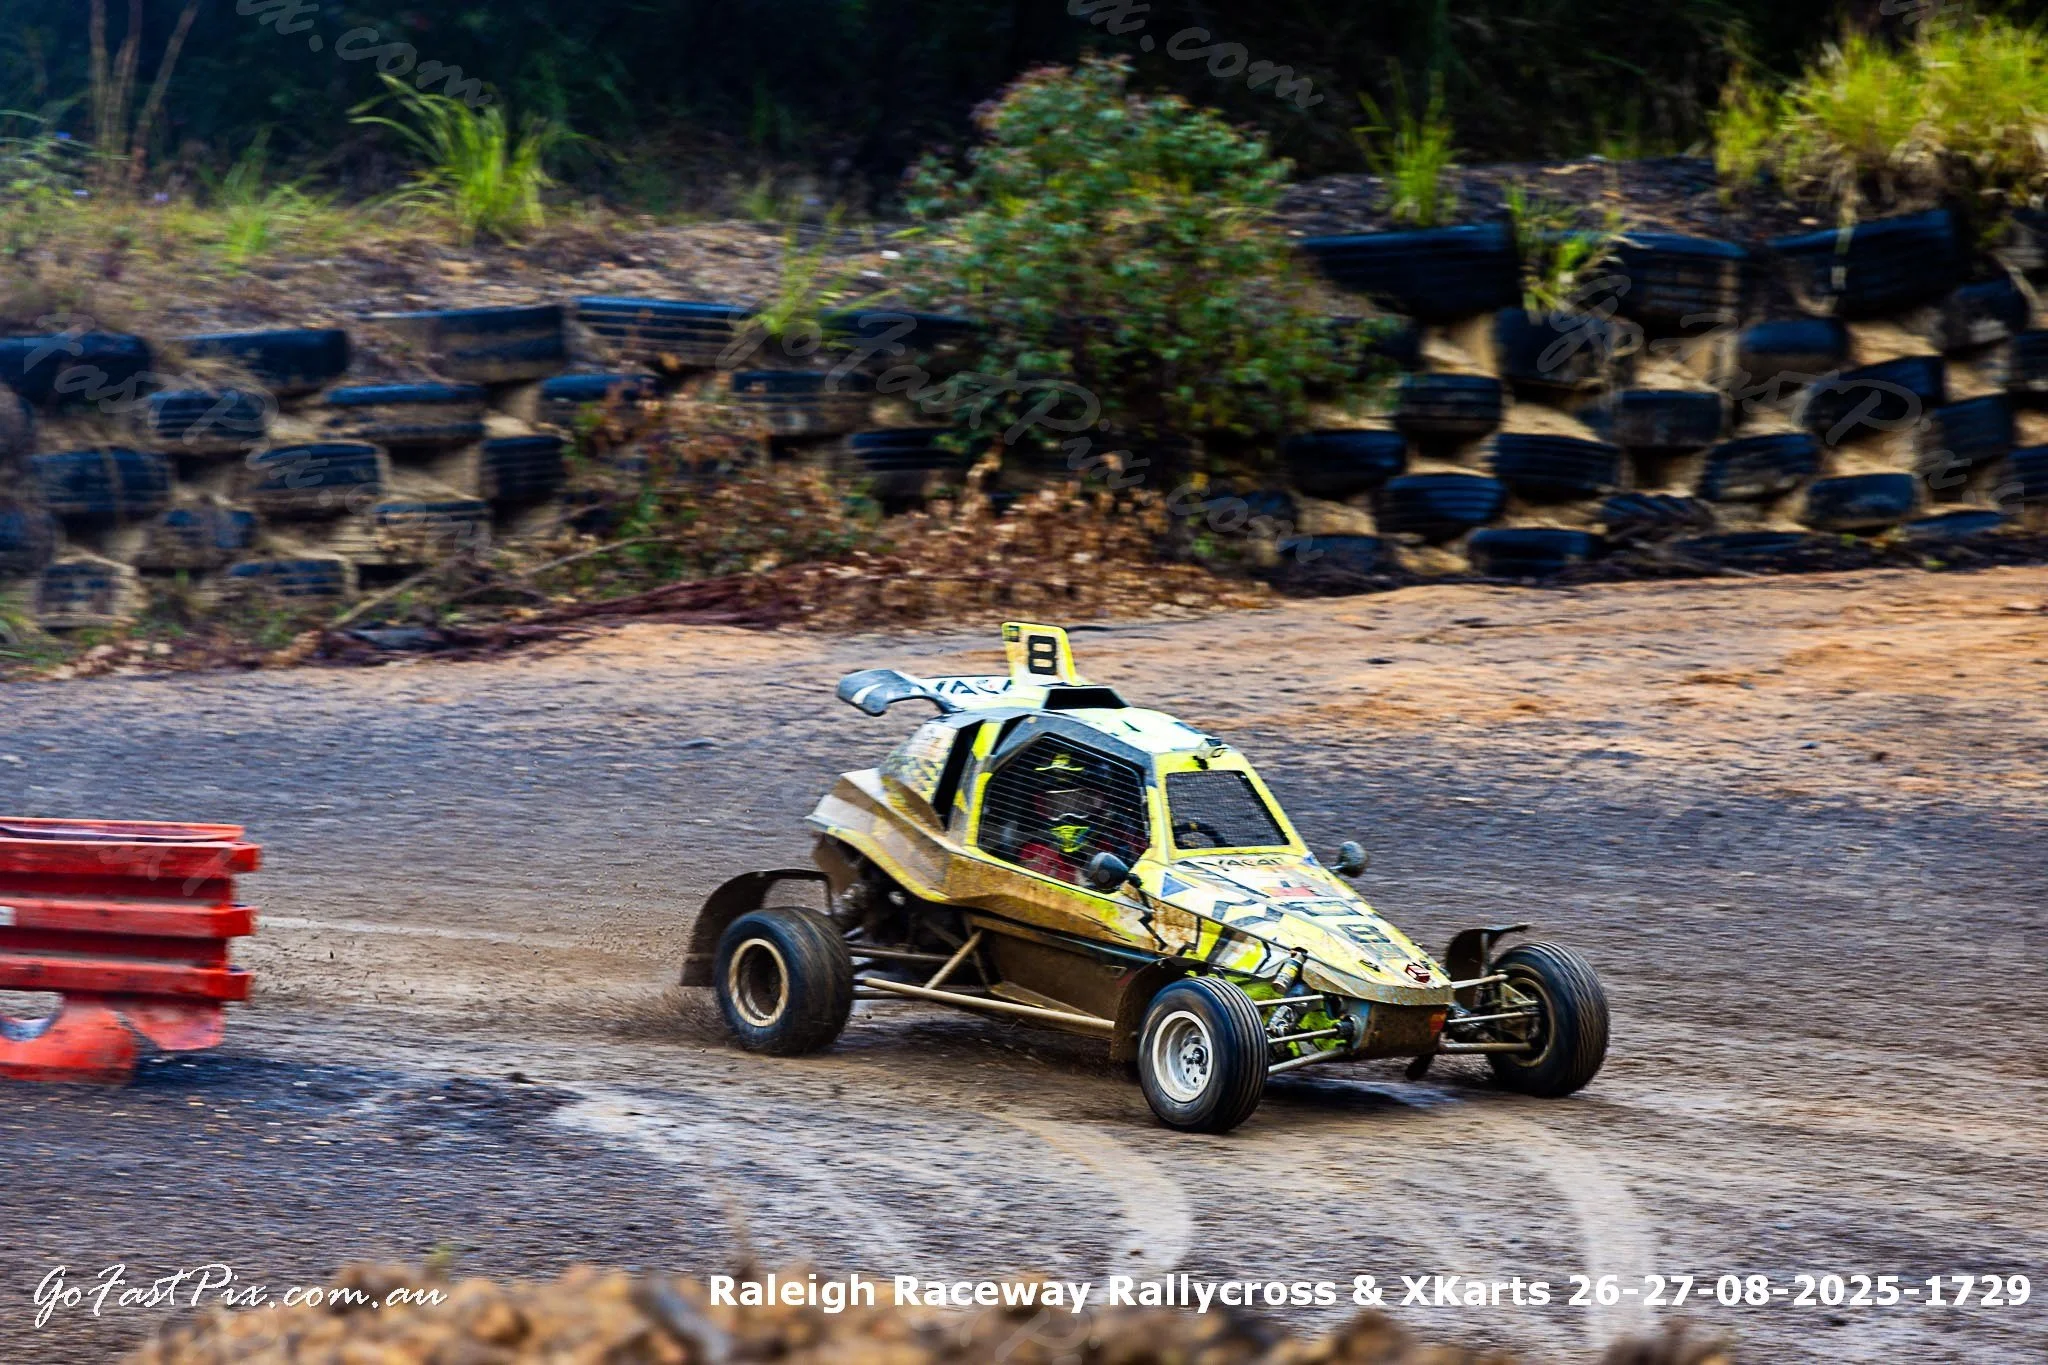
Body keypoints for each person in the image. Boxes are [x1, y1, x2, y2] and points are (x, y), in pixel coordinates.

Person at [1014, 750, 1143, 885]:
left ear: (1104, 803)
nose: (1067, 816)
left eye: (1081, 802)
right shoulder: (1036, 851)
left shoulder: (1125, 837)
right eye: (1055, 806)